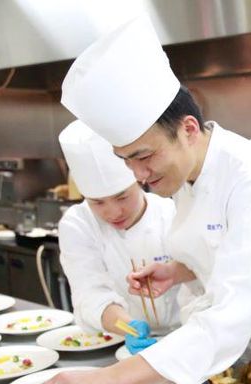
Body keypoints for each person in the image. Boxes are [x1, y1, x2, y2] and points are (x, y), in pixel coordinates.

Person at [24, 15, 251, 384]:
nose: (139, 175)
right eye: (127, 161)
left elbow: (233, 308)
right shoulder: (185, 176)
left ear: (189, 129)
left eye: (144, 156)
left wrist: (108, 380)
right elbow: (220, 250)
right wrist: (180, 270)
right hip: (249, 362)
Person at [58, 120, 180, 346]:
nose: (113, 212)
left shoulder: (172, 213)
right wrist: (128, 327)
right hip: (119, 339)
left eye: (122, 197)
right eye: (97, 202)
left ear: (139, 181)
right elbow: (90, 293)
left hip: (183, 337)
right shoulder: (78, 223)